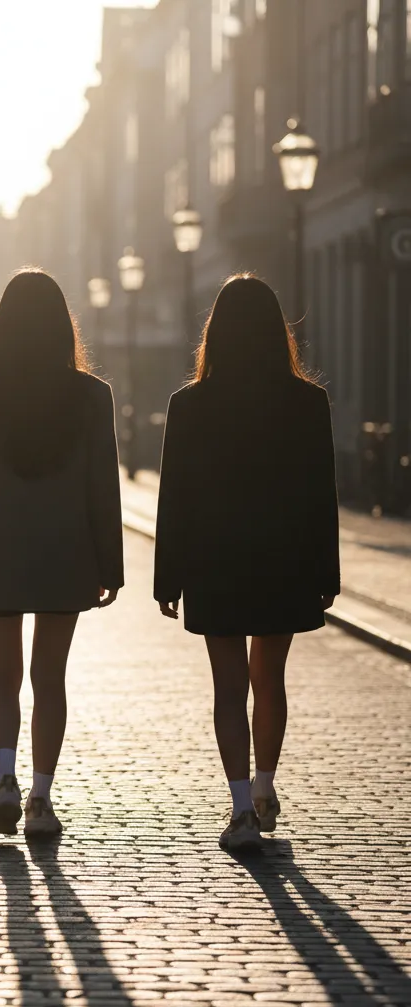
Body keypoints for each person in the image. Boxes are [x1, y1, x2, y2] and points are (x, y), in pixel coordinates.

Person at [154, 273, 339, 853]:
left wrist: (168, 578)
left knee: (229, 687)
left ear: (216, 334)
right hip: (284, 558)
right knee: (270, 679)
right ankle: (264, 785)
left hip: (216, 561)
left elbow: (175, 497)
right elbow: (321, 494)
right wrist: (325, 575)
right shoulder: (307, 402)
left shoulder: (189, 404)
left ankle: (239, 808)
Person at [0, 269, 123, 838]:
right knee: (50, 677)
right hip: (66, 549)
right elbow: (102, 485)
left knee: (3, 675)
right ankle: (42, 797)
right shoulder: (90, 396)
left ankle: (4, 779)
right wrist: (109, 565)